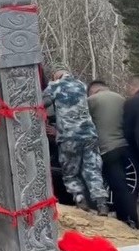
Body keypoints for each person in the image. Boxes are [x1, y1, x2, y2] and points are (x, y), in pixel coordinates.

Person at [43, 69, 109, 215]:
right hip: (89, 134)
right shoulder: (82, 85)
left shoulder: (55, 86)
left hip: (68, 136)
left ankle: (80, 199)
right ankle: (101, 203)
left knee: (70, 172)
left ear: (55, 75)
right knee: (93, 169)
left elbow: (42, 103)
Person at [87, 80, 138, 228]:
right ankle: (123, 218)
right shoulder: (121, 99)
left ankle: (134, 219)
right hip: (124, 146)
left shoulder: (92, 101)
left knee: (118, 186)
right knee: (121, 185)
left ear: (93, 91)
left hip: (107, 148)